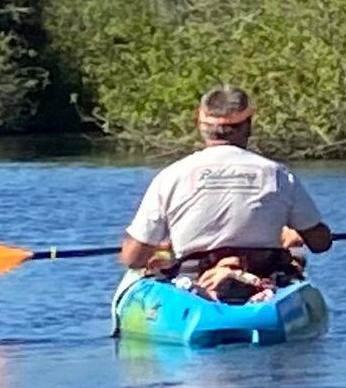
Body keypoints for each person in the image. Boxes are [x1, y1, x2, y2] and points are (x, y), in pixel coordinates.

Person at [119, 85, 335, 303]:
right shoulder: (278, 174)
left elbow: (133, 258)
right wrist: (296, 233)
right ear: (247, 126)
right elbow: (320, 243)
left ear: (201, 125)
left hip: (194, 284)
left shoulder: (171, 176)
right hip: (261, 280)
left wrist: (160, 248)